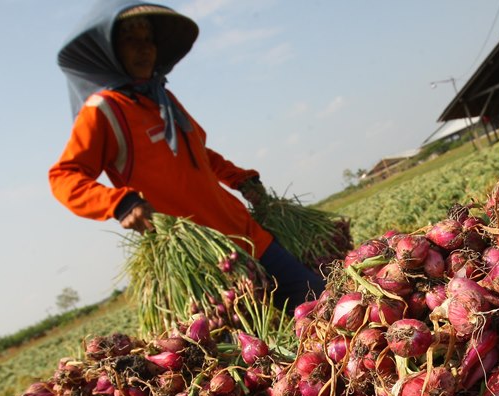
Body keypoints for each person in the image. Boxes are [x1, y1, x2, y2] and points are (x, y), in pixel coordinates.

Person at [49, 1, 324, 310]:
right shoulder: (104, 110)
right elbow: (64, 176)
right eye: (130, 39)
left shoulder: (163, 99)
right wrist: (118, 203)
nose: (143, 48)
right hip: (204, 262)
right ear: (109, 50)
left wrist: (240, 178)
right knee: (258, 346)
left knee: (320, 303)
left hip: (246, 233)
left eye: (148, 40)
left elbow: (199, 154)